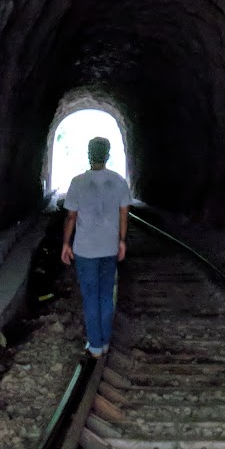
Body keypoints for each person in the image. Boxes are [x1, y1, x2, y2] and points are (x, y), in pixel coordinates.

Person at [60, 136, 132, 356]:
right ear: (107, 155)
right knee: (105, 295)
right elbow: (124, 215)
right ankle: (105, 340)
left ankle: (95, 345)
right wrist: (121, 240)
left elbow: (71, 217)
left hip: (85, 249)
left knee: (90, 295)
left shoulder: (78, 182)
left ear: (89, 155)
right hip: (108, 248)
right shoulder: (119, 182)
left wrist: (65, 243)